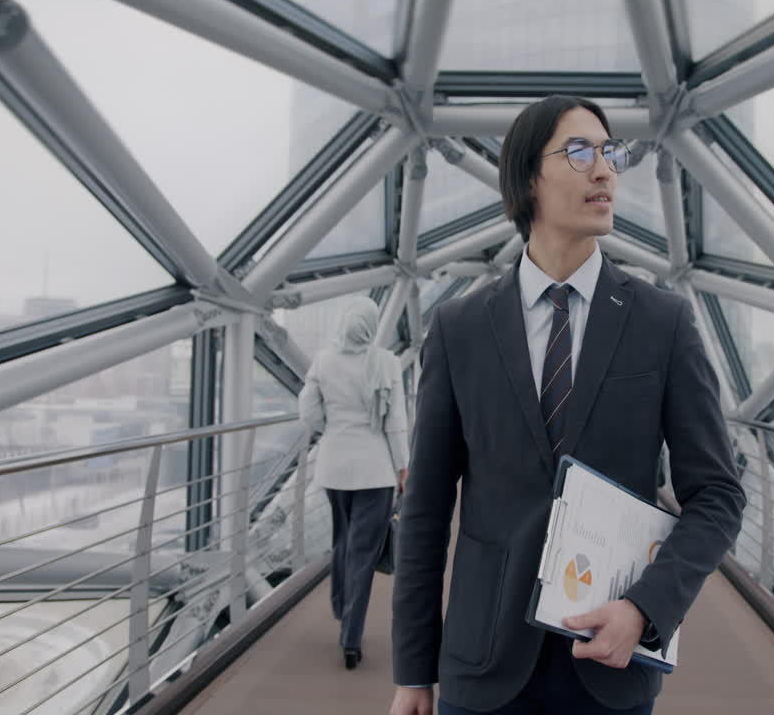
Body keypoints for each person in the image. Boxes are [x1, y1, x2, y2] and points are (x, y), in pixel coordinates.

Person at [390, 95, 747, 714]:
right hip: (482, 666)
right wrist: (412, 673)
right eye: (580, 152)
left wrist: (645, 609)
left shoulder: (663, 323)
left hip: (610, 664)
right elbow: (424, 511)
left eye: (610, 153)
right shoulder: (460, 329)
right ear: (528, 177)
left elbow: (717, 495)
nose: (605, 169)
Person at [298, 296, 409, 670]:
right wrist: (404, 467)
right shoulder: (386, 363)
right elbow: (395, 421)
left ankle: (339, 602)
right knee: (362, 552)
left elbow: (308, 411)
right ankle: (351, 637)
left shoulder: (324, 361)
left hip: (334, 466)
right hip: (374, 470)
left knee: (343, 540)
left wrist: (330, 430)